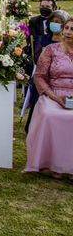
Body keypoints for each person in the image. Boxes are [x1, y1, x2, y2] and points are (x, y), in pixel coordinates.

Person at [25, 17, 73, 179]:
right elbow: (39, 76)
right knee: (50, 114)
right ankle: (54, 164)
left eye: (72, 29)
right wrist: (54, 97)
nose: (67, 32)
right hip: (53, 94)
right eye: (66, 28)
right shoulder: (51, 50)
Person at [24, 10, 70, 133]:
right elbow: (37, 58)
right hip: (45, 75)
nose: (55, 24)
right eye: (53, 22)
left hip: (64, 81)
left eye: (59, 22)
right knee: (37, 85)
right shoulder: (44, 40)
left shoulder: (67, 43)